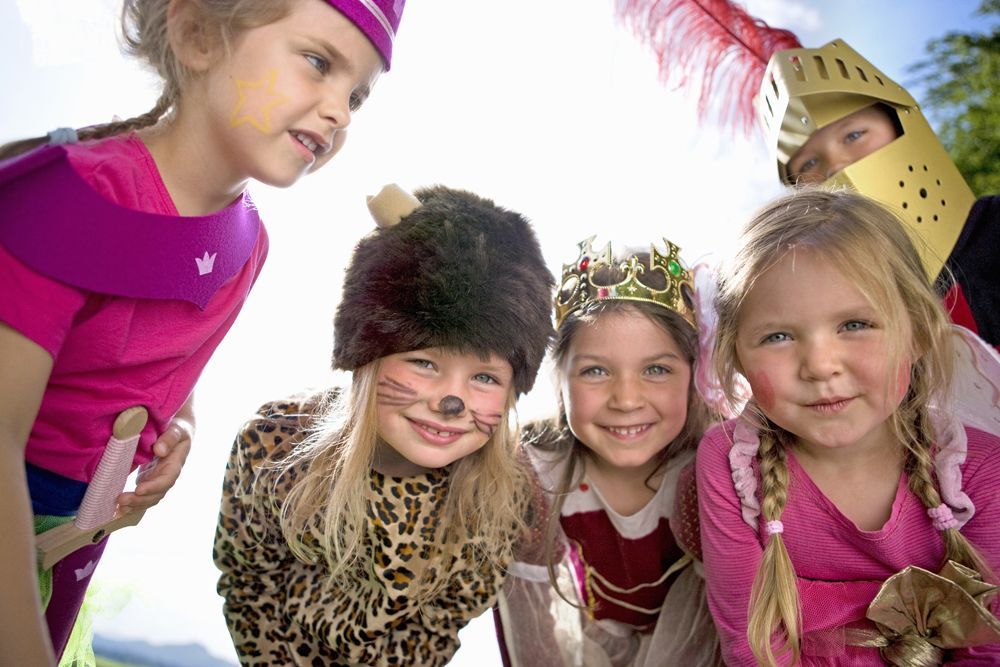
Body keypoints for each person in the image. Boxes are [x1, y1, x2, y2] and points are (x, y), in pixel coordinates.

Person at [0, 1, 405, 664]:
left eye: (356, 94)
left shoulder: (246, 243)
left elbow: (160, 373)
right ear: (196, 35)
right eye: (318, 63)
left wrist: (178, 427)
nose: (339, 111)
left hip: (72, 543)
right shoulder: (67, 204)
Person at [213, 183, 555, 666]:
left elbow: (439, 626)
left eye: (483, 376)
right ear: (366, 360)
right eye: (424, 363)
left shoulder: (500, 497)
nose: (451, 402)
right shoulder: (274, 444)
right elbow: (249, 583)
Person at [697, 187, 1000, 665]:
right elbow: (750, 644)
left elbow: (988, 648)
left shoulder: (978, 471)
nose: (820, 366)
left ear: (918, 331)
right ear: (736, 356)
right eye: (777, 336)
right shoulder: (730, 461)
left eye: (855, 325)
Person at [496, 238, 723, 667]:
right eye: (595, 371)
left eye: (656, 369)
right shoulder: (536, 477)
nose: (626, 399)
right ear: (558, 377)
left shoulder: (711, 474)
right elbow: (532, 628)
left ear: (695, 374)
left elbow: (723, 622)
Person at [756, 38, 999, 350]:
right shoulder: (846, 315)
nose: (837, 166)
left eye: (854, 135)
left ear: (901, 122)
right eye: (810, 163)